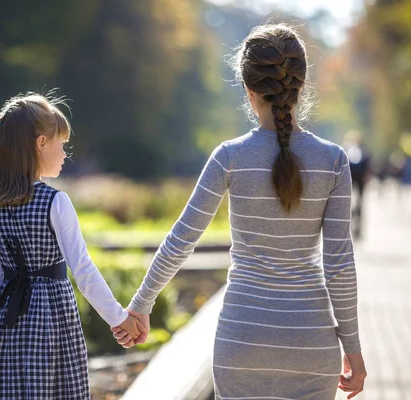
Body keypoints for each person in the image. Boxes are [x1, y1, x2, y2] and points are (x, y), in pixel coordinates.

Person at [112, 24, 367, 399]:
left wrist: (140, 305)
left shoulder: (230, 157)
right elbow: (339, 264)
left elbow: (182, 238)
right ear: (301, 83)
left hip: (242, 339)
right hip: (310, 342)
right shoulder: (332, 160)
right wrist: (354, 348)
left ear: (249, 91)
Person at [0, 93, 144, 399]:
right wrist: (120, 318)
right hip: (50, 319)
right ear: (40, 144)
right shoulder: (55, 201)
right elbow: (82, 270)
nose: (65, 153)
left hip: (7, 319)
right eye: (61, 144)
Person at [343, 130, 372, 239]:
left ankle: (350, 225)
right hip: (360, 179)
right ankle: (358, 228)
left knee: (348, 202)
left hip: (349, 178)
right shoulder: (364, 150)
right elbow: (368, 167)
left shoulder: (346, 149)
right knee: (360, 203)